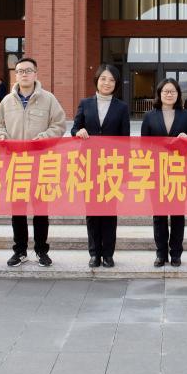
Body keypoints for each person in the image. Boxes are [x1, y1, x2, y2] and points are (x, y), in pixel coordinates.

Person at [0, 57, 67, 267]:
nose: (23, 74)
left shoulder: (48, 99)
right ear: (15, 75)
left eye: (28, 70)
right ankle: (20, 251)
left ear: (35, 73)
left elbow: (59, 124)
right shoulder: (7, 101)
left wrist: (44, 136)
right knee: (18, 210)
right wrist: (1, 135)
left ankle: (41, 251)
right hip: (15, 164)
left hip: (41, 164)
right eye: (20, 71)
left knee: (40, 210)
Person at [72, 65, 131, 268]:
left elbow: (125, 141)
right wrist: (78, 131)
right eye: (103, 79)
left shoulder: (121, 107)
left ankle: (108, 254)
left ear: (116, 84)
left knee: (109, 211)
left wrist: (124, 170)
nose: (107, 83)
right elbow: (74, 128)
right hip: (89, 165)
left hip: (112, 166)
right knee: (92, 211)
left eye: (112, 80)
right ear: (97, 80)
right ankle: (94, 253)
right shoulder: (85, 103)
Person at [140, 77, 187, 267]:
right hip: (156, 172)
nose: (169, 94)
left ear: (178, 94)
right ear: (159, 94)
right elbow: (143, 146)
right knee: (159, 215)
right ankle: (161, 253)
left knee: (178, 214)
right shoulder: (149, 116)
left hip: (179, 172)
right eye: (165, 91)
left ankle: (176, 254)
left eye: (173, 91)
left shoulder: (186, 116)